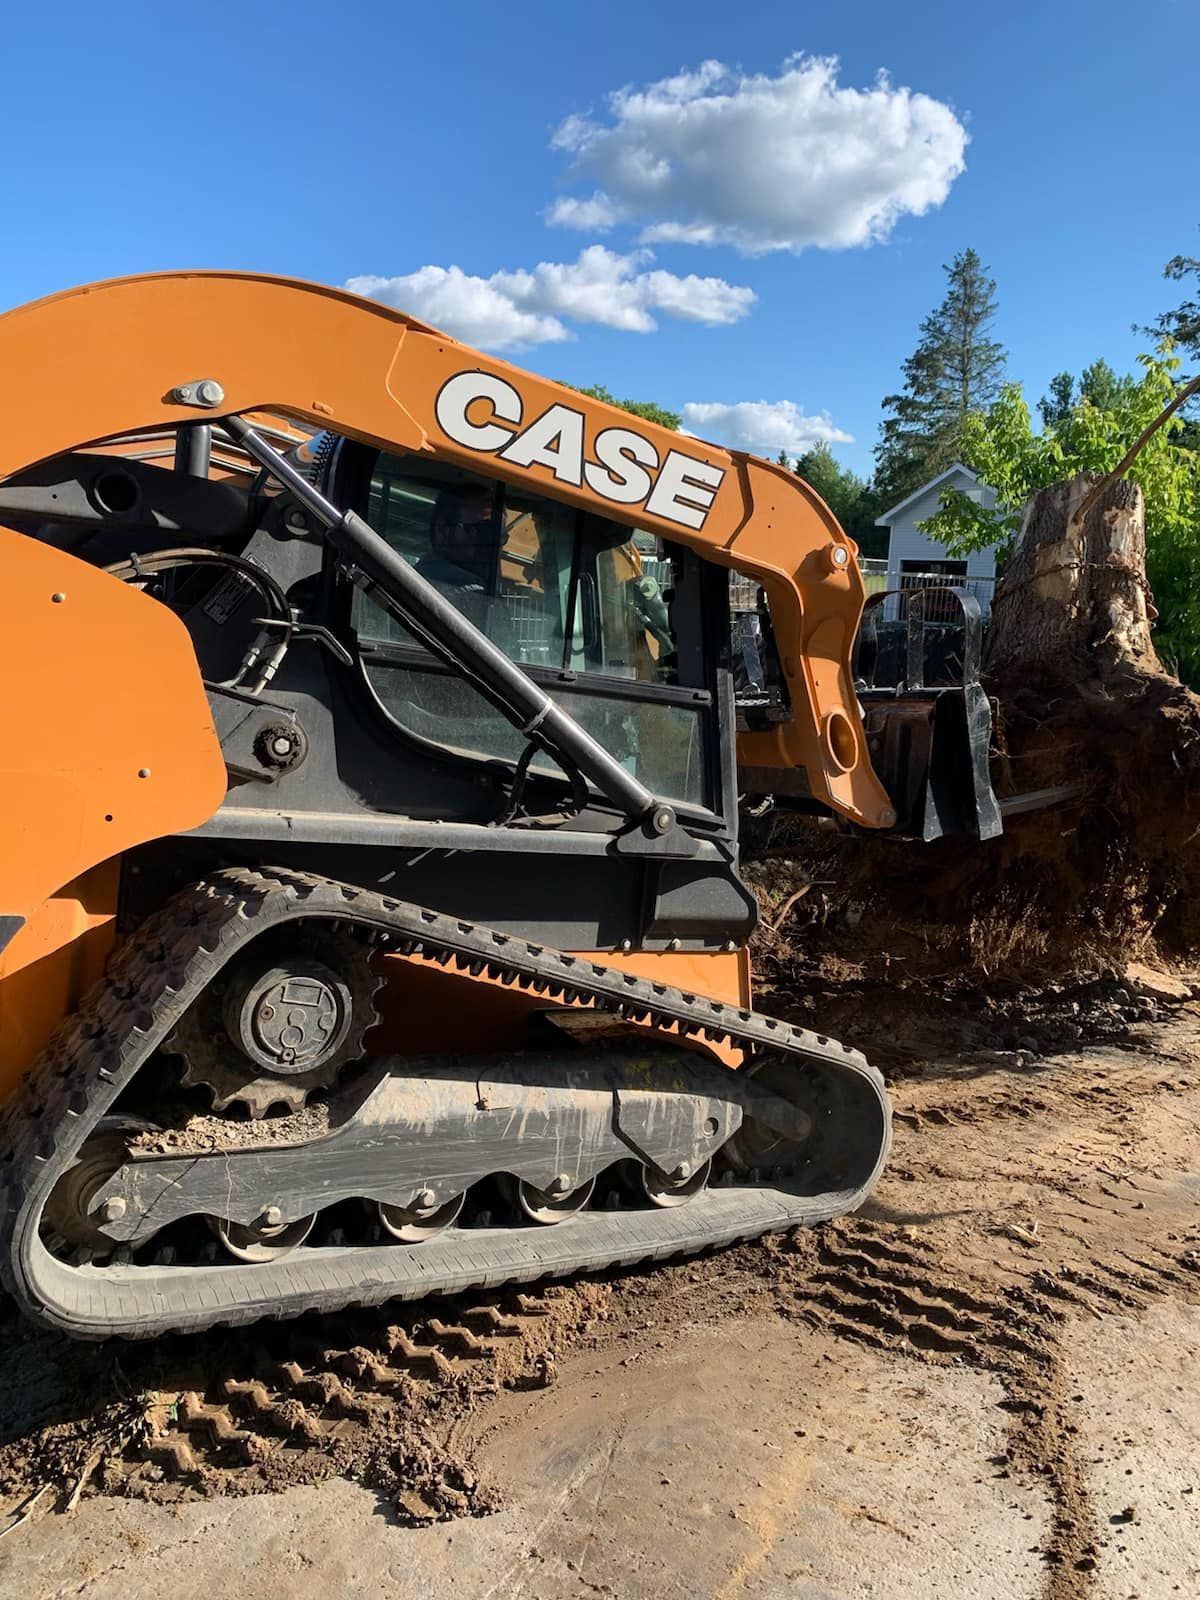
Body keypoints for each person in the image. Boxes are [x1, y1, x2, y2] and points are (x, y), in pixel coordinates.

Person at [415, 484, 500, 594]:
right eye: (484, 530)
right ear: (443, 531)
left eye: (501, 536)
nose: (495, 544)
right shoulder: (427, 591)